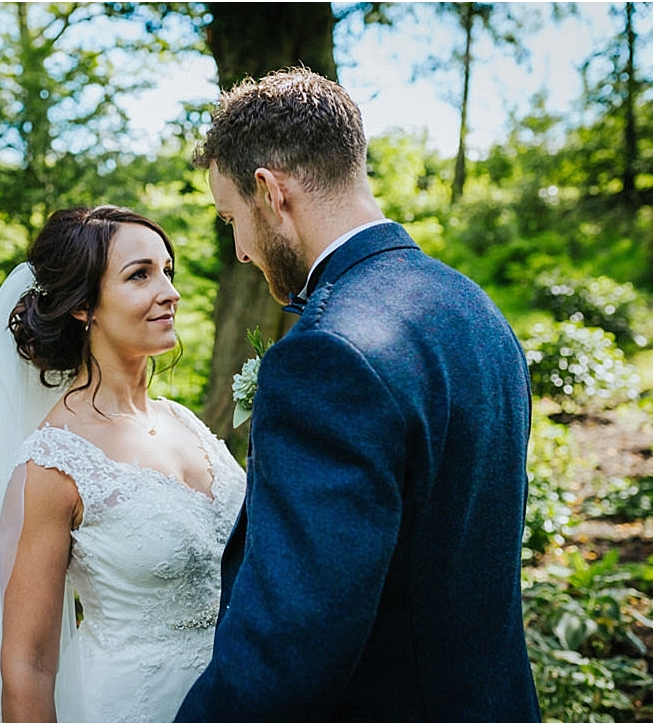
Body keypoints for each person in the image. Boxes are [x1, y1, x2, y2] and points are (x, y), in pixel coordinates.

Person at [175, 67, 541, 722]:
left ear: (269, 192)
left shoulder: (327, 355)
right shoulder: (473, 307)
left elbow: (289, 647)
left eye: (230, 218)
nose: (238, 251)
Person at [0, 205, 245, 723]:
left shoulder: (184, 421)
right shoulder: (54, 462)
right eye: (140, 275)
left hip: (240, 694)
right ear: (83, 306)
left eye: (167, 272)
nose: (170, 292)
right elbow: (28, 665)